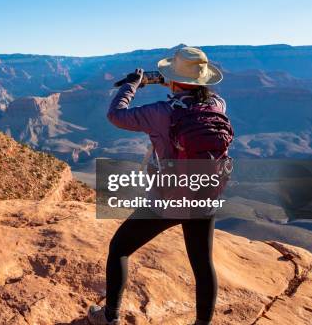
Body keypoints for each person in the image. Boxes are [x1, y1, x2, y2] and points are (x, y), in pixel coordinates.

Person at [88, 46, 231, 325]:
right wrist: (174, 80)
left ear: (174, 80)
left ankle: (109, 319)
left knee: (120, 248)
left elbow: (116, 115)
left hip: (168, 199)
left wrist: (133, 84)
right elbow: (191, 93)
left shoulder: (161, 112)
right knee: (203, 265)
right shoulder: (217, 106)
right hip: (205, 194)